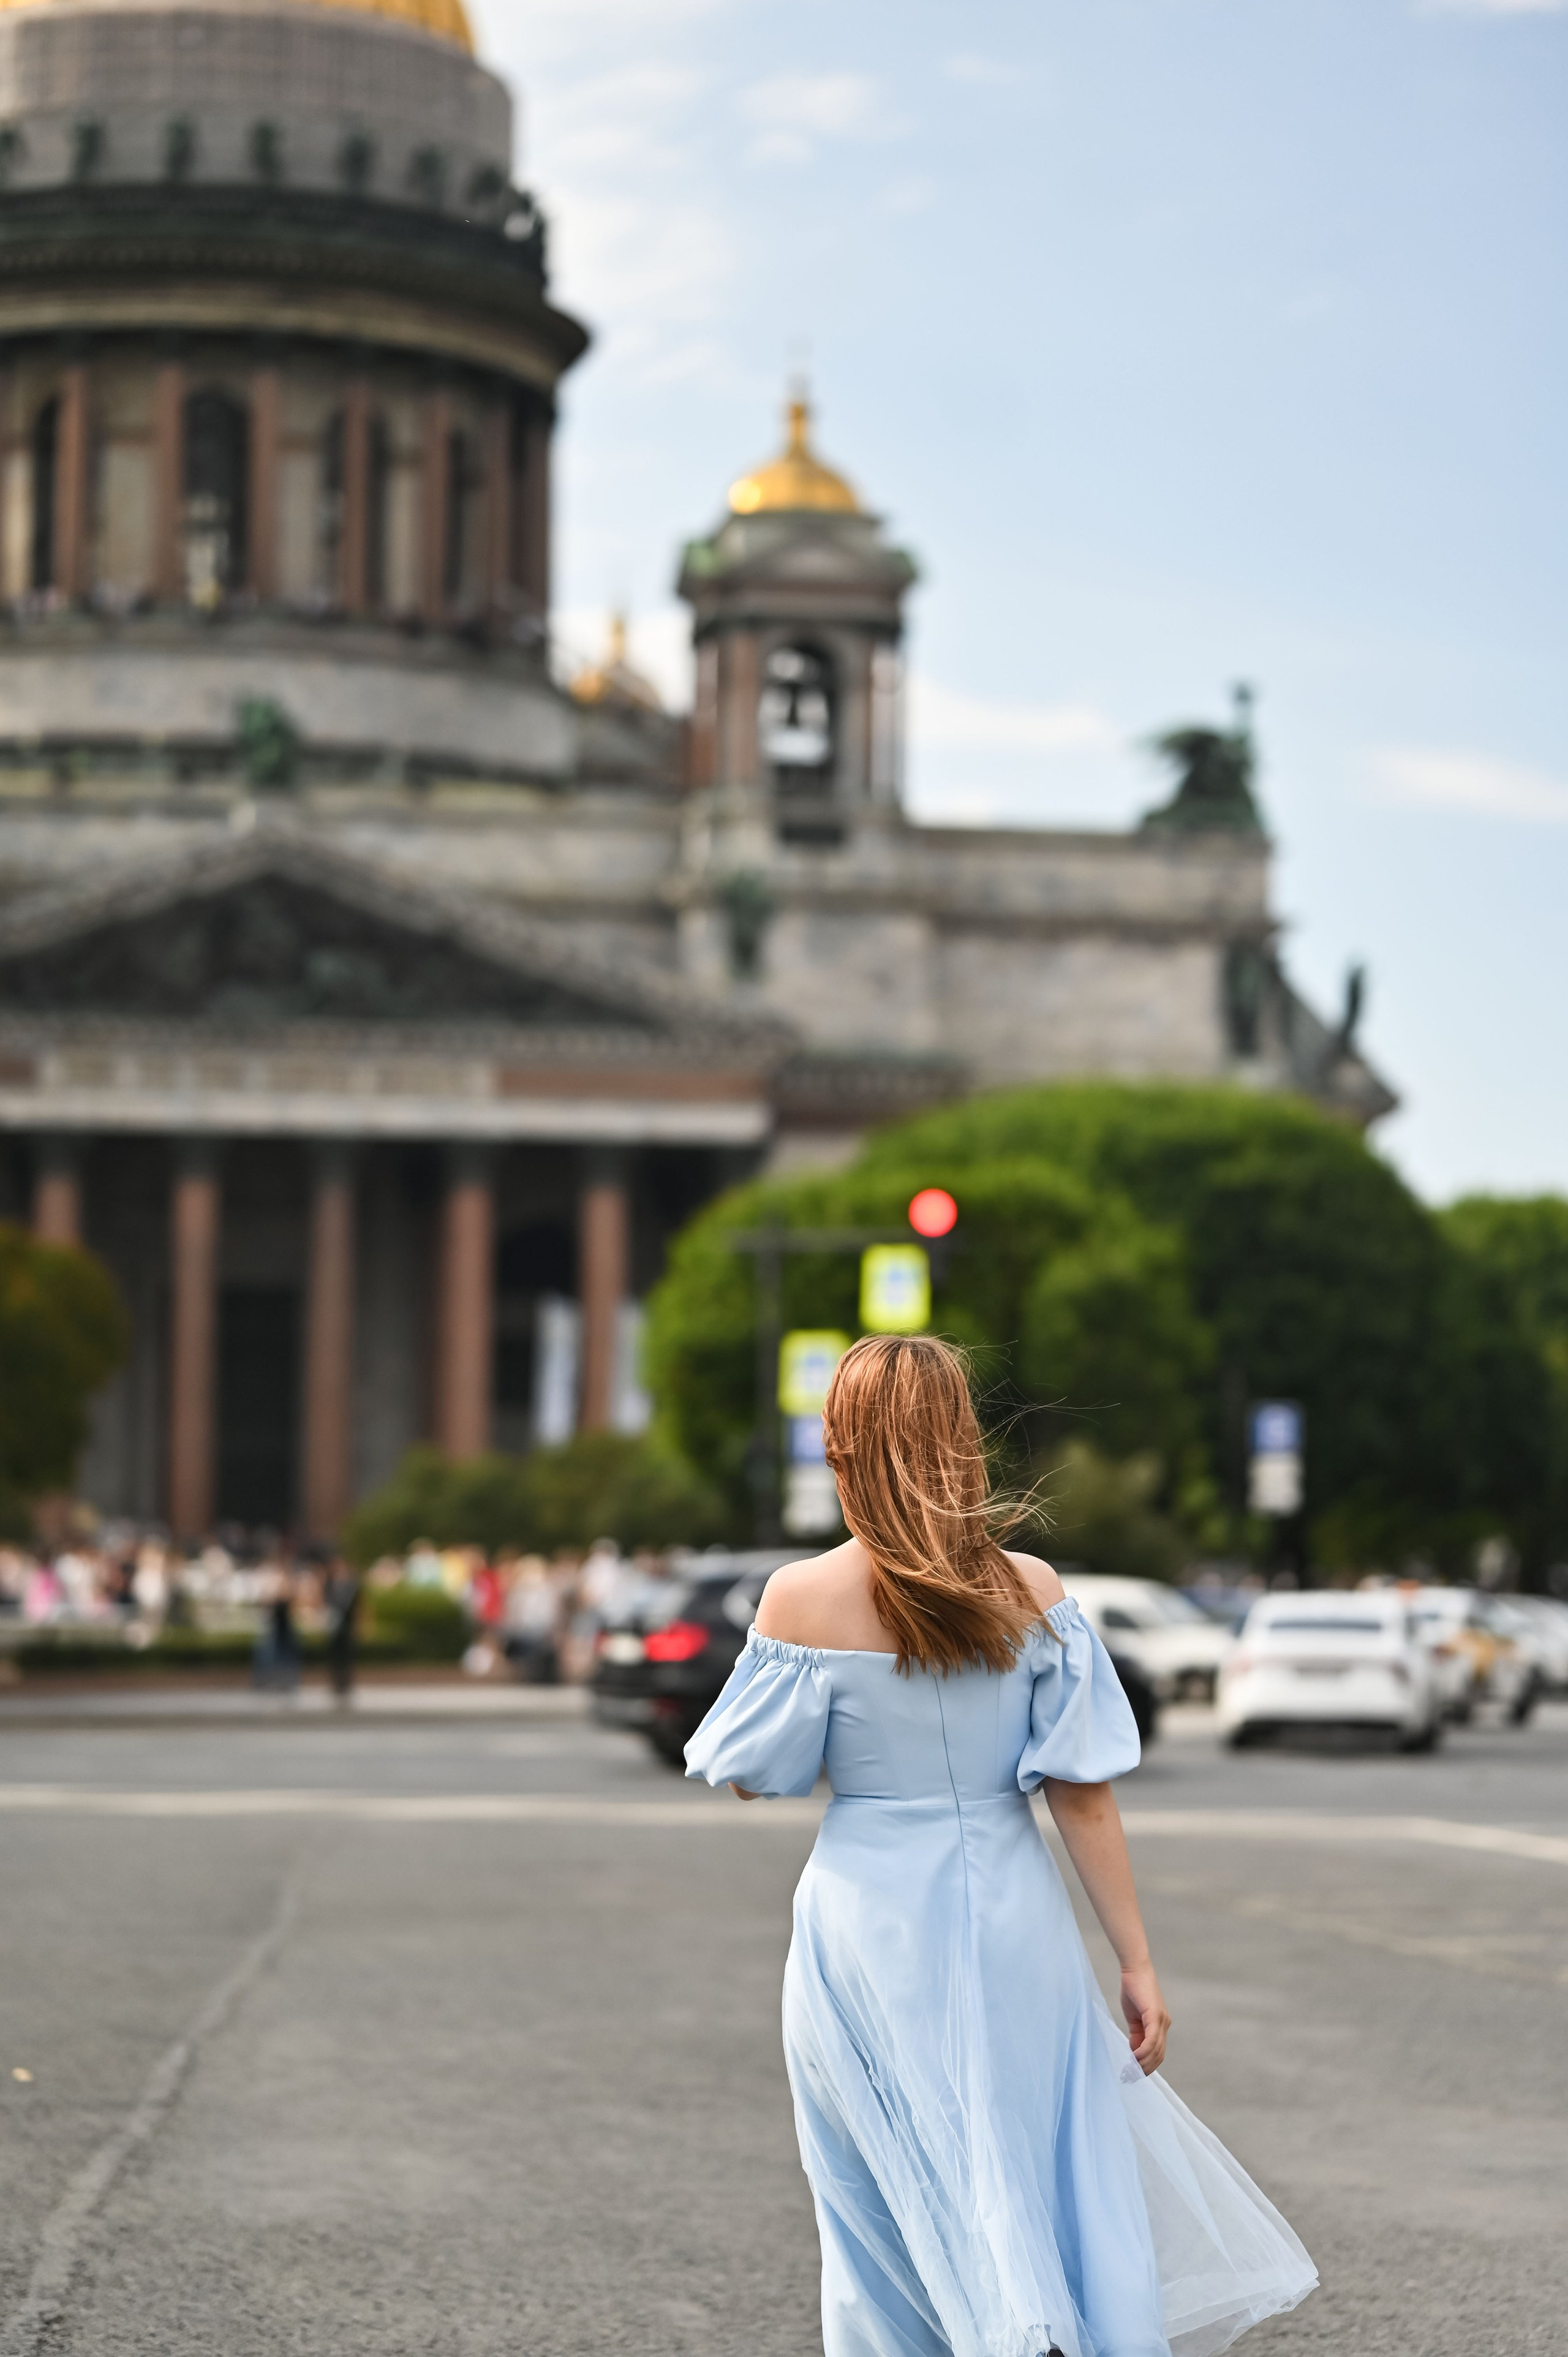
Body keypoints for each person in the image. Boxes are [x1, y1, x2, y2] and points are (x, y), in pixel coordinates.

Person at [685, 1335, 1315, 2357]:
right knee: (1045, 2167)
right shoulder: (1035, 1591)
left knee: (879, 2193)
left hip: (868, 1923)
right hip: (1016, 1911)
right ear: (960, 1440)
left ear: (843, 1445)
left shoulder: (800, 1597)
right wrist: (1136, 1961)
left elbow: (757, 1773)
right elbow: (1083, 1795)